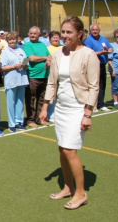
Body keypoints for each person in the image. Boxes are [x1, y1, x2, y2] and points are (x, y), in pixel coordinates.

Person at [39, 16, 99, 210]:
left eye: (69, 32)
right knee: (61, 149)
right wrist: (46, 106)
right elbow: (52, 82)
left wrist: (87, 114)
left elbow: (94, 87)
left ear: (80, 34)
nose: (65, 36)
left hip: (78, 108)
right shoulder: (57, 54)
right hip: (61, 109)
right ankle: (68, 187)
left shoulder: (89, 54)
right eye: (63, 32)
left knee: (69, 150)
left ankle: (81, 193)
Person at [0, 31, 29, 132]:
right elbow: (2, 68)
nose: (12, 41)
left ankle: (19, 122)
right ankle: (11, 123)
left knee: (20, 101)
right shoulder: (5, 52)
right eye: (10, 39)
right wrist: (14, 66)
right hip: (11, 80)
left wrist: (25, 65)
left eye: (14, 39)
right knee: (11, 102)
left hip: (22, 79)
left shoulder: (21, 50)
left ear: (17, 40)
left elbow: (26, 62)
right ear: (7, 41)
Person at [23, 26, 51, 128]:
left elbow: (50, 56)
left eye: (35, 34)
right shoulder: (27, 45)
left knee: (42, 99)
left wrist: (48, 60)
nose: (32, 35)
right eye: (31, 33)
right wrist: (45, 58)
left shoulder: (43, 44)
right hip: (32, 77)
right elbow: (32, 58)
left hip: (44, 75)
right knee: (31, 99)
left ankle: (40, 119)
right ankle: (30, 120)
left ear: (39, 35)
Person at [84, 24, 113, 112]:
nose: (95, 31)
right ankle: (93, 105)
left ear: (99, 30)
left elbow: (111, 48)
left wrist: (108, 51)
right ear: (91, 30)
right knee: (94, 85)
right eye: (93, 30)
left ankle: (101, 104)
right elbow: (89, 53)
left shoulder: (103, 38)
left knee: (102, 85)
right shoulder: (88, 40)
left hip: (102, 65)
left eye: (96, 30)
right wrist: (101, 53)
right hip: (93, 65)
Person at [46, 31, 64, 122]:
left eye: (57, 37)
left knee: (61, 95)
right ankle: (51, 114)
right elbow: (48, 60)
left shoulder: (63, 48)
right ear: (50, 40)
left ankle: (60, 113)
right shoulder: (48, 49)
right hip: (52, 75)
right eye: (54, 38)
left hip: (63, 75)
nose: (56, 39)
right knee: (52, 95)